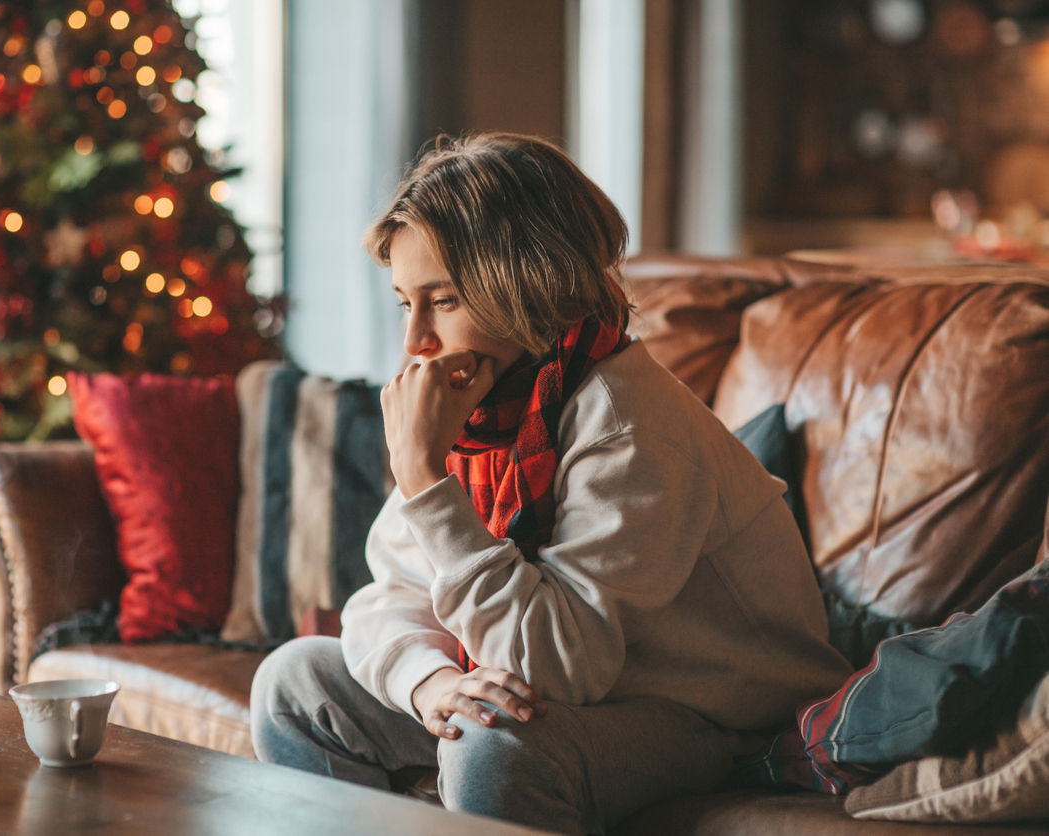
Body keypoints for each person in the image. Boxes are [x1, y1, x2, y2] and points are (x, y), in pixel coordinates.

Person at [250, 133, 852, 835]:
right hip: (573, 692)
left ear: (522, 283)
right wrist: (431, 684)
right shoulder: (483, 413)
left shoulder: (628, 424)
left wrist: (422, 478)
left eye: (441, 301)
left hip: (709, 717)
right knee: (293, 685)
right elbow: (390, 595)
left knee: (495, 747)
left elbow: (559, 669)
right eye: (402, 303)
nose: (415, 340)